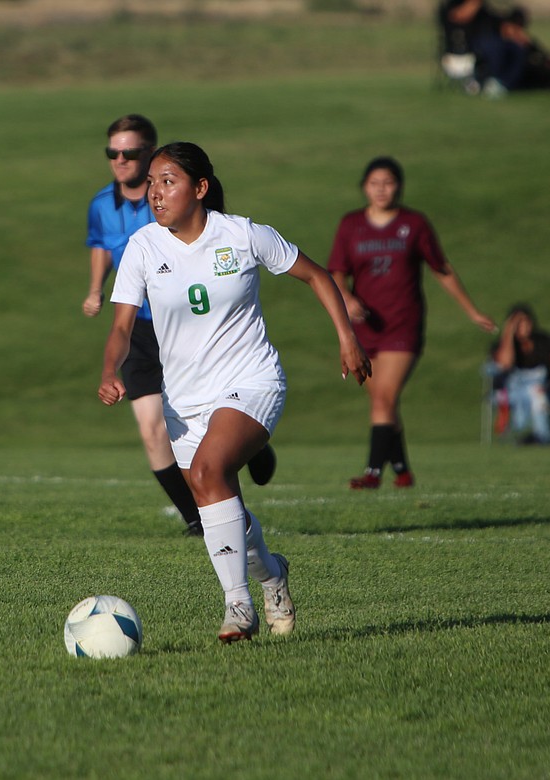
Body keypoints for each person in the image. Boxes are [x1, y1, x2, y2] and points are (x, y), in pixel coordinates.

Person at [98, 142, 371, 642]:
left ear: (200, 188)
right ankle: (272, 575)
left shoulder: (243, 234)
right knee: (220, 507)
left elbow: (317, 276)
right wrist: (109, 370)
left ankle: (237, 609)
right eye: (153, 183)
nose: (155, 193)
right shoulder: (142, 247)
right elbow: (120, 327)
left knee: (207, 471)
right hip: (184, 400)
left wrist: (347, 338)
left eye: (168, 181)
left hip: (252, 381)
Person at [84, 115, 276, 537]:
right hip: (141, 327)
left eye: (131, 152)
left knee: (212, 422)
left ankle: (249, 441)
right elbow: (101, 246)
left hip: (190, 327)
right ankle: (197, 517)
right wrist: (97, 287)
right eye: (112, 152)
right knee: (153, 430)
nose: (120, 160)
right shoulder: (102, 204)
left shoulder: (178, 197)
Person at [328, 157, 496, 490]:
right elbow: (336, 271)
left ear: (399, 186)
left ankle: (373, 473)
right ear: (364, 186)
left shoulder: (414, 224)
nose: (381, 189)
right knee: (384, 403)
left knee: (384, 399)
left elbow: (441, 267)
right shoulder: (351, 225)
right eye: (375, 183)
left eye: (388, 182)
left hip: (402, 325)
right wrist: (346, 298)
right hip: (365, 329)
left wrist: (472, 311)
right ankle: (403, 471)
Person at [491, 303, 550, 443]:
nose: (524, 326)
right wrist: (508, 332)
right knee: (537, 393)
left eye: (526, 321)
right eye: (518, 322)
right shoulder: (503, 345)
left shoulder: (544, 341)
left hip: (547, 387)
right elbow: (505, 363)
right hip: (516, 392)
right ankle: (543, 437)